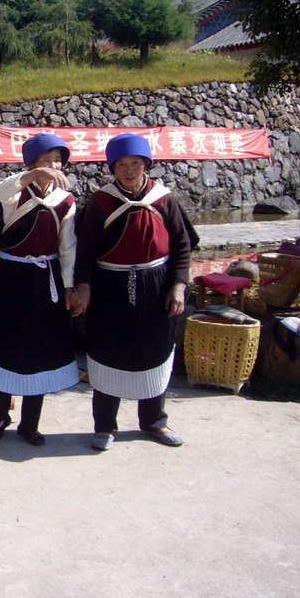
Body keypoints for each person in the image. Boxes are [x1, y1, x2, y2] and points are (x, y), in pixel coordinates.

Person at [68, 133, 192, 450]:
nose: (129, 170)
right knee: (108, 353)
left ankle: (153, 422)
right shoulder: (101, 202)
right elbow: (84, 251)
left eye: (135, 163)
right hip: (110, 288)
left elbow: (182, 246)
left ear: (146, 164)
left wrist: (178, 285)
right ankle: (105, 426)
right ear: (113, 168)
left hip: (156, 286)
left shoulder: (164, 199)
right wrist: (83, 288)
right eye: (121, 164)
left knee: (155, 351)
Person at [0, 133, 79, 445]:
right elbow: (0, 189)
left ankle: (30, 424)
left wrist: (69, 286)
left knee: (39, 351)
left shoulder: (66, 201)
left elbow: (67, 247)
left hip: (44, 282)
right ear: (31, 165)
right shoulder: (14, 194)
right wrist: (33, 176)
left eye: (57, 160)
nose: (54, 166)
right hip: (7, 279)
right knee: (3, 346)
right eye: (46, 161)